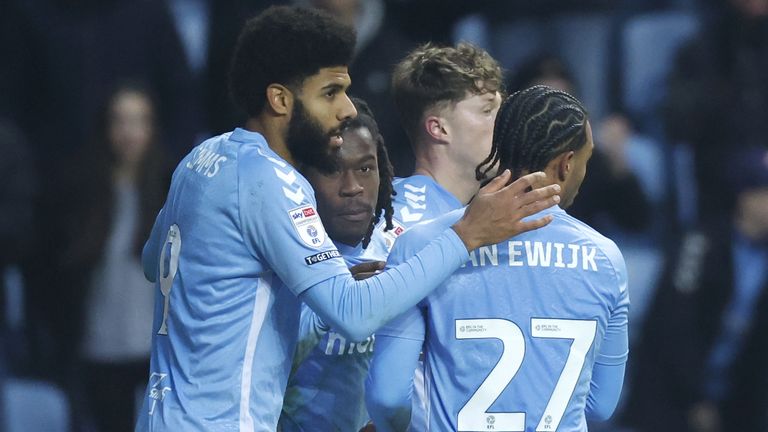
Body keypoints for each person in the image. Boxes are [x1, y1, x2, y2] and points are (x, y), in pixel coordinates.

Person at [135, 6, 561, 431]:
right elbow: (353, 315)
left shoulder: (203, 158)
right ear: (280, 99)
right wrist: (467, 234)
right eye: (329, 93)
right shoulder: (269, 179)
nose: (345, 110)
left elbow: (154, 262)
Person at [366, 86, 629, 431]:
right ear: (567, 164)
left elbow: (388, 398)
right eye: (586, 159)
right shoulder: (606, 259)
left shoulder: (421, 244)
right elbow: (600, 405)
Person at [622, 147, 768, 432]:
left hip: (732, 403)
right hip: (668, 399)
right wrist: (696, 399)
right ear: (746, 196)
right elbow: (675, 326)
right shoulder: (700, 242)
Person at [279, 97, 393, 431]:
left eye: (365, 168)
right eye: (331, 170)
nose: (353, 188)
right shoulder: (278, 263)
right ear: (302, 179)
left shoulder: (401, 250)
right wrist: (335, 305)